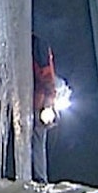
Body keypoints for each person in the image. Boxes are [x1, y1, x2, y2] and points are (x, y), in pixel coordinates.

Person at [32, 33, 58, 183]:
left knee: (38, 137)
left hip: (39, 103)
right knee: (38, 139)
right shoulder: (40, 45)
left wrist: (48, 102)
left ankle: (40, 179)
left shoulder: (38, 46)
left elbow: (46, 76)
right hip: (38, 102)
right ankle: (40, 178)